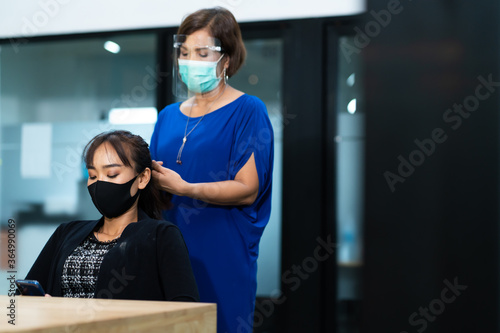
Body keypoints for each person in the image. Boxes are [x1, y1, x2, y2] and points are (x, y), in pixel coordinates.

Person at [149, 7, 274, 332]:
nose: (190, 61)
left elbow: (247, 189)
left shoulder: (248, 110)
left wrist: (186, 188)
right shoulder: (167, 116)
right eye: (185, 52)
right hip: (168, 253)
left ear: (227, 60)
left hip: (222, 253)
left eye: (202, 53)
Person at [25, 130, 199, 302]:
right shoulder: (66, 232)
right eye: (92, 175)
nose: (100, 183)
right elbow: (25, 293)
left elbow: (186, 311)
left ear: (143, 178)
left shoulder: (160, 235)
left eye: (111, 174)